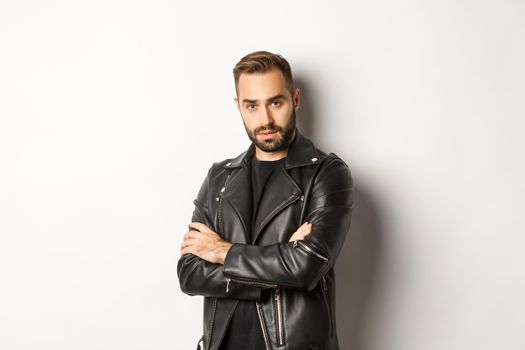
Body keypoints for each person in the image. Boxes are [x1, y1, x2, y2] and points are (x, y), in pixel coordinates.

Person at [178, 51, 354, 350]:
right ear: (239, 107)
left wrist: (221, 251)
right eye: (252, 106)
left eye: (276, 102)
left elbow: (305, 267)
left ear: (295, 99)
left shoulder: (327, 174)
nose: (266, 119)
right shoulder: (220, 177)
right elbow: (190, 273)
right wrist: (280, 260)